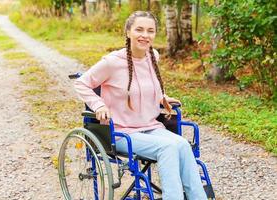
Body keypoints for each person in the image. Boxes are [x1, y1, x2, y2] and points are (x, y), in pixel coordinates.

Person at [74, 11, 207, 200]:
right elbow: (81, 83)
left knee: (183, 145)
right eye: (139, 29)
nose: (145, 35)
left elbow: (146, 85)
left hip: (151, 127)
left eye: (150, 31)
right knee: (168, 148)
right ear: (128, 32)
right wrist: (98, 105)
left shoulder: (153, 56)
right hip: (122, 132)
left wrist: (162, 97)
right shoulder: (112, 62)